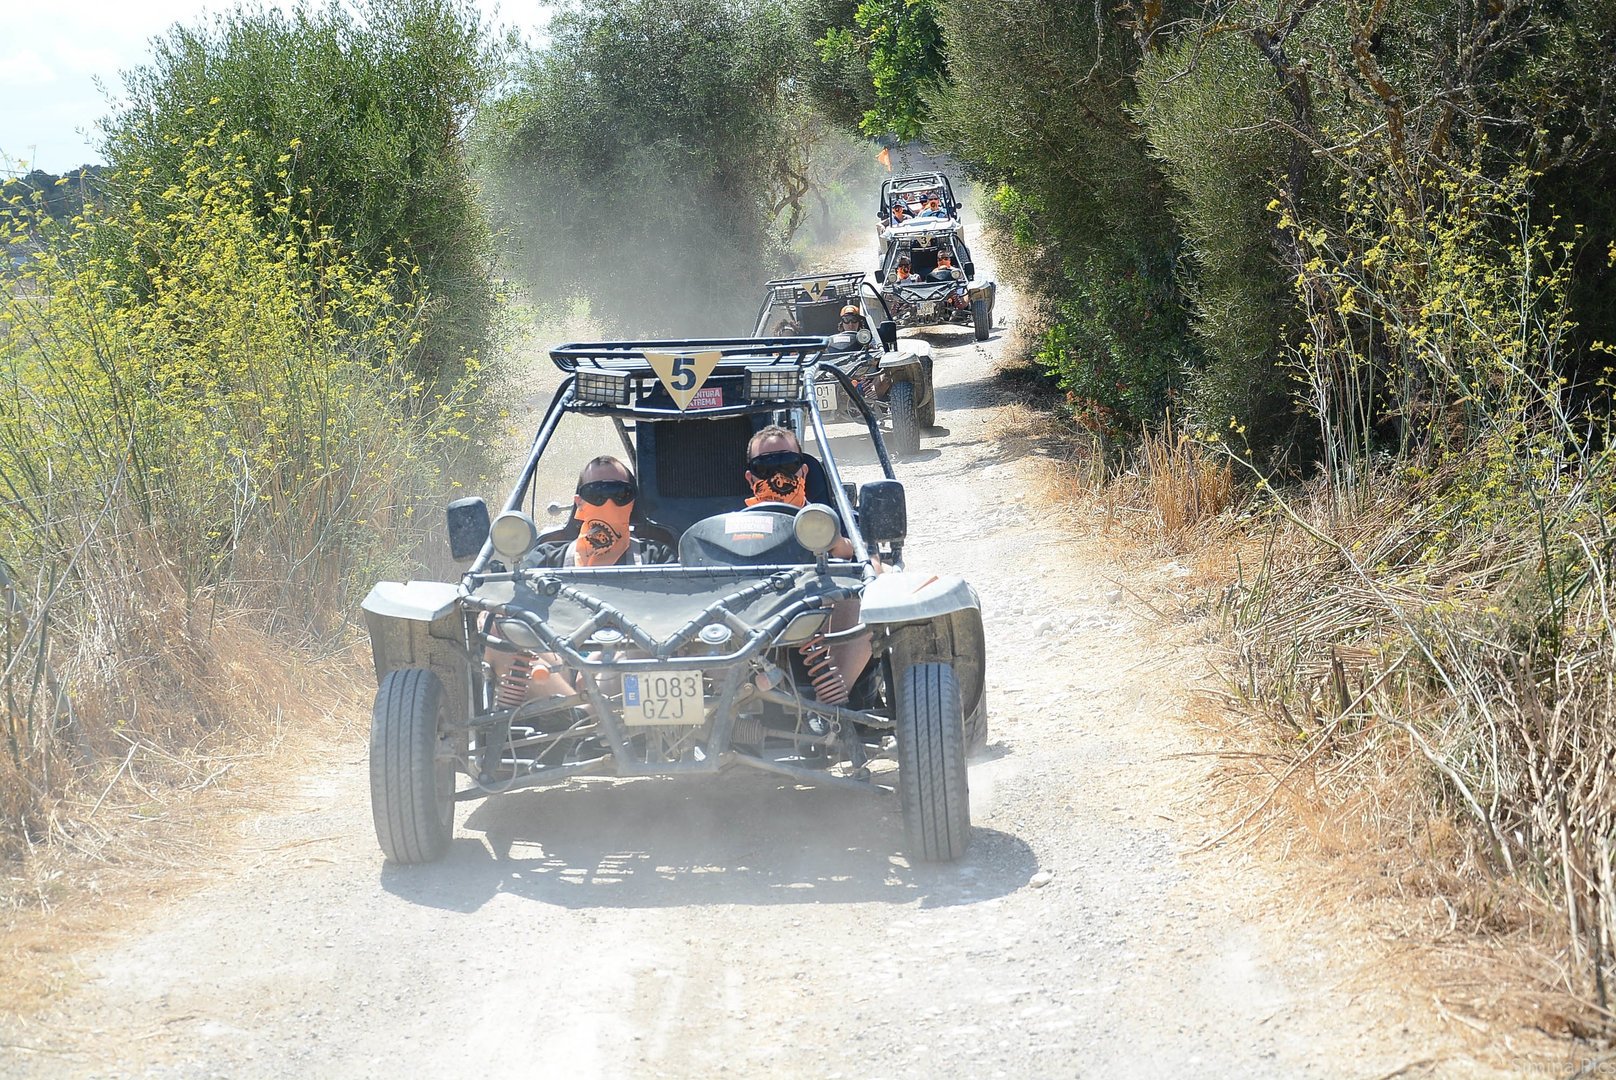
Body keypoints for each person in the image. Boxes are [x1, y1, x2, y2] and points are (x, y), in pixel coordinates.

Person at [742, 426, 871, 696]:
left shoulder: (830, 520)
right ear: (750, 477)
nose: (778, 475)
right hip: (751, 619)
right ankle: (735, 697)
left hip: (820, 611)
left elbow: (866, 560)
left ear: (803, 471)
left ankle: (833, 703)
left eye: (787, 464)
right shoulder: (733, 527)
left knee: (868, 590)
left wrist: (832, 541)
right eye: (765, 467)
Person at [527, 456, 673, 568]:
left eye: (620, 493)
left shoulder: (657, 558)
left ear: (632, 502)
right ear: (579, 503)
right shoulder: (546, 560)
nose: (608, 503)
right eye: (596, 493)